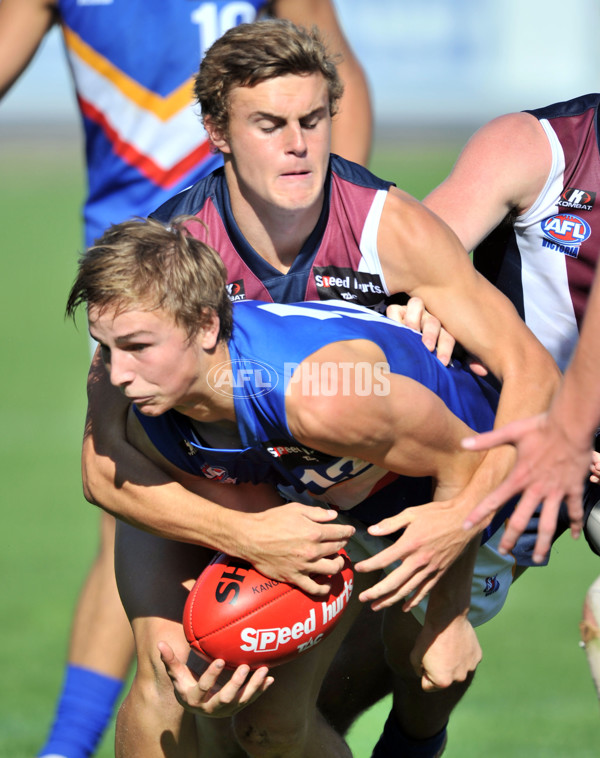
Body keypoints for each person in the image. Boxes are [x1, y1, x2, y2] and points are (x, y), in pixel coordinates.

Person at [77, 20, 561, 758]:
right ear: (217, 131)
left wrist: (462, 519)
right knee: (170, 678)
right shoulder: (165, 254)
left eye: (314, 119)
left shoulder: (386, 228)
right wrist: (242, 535)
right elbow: (104, 457)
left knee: (417, 676)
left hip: (392, 468)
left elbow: (528, 371)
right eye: (269, 125)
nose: (298, 144)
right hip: (243, 475)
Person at [0, 3, 373, 757]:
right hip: (136, 278)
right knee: (141, 531)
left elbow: (334, 64)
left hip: (279, 272)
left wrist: (349, 249)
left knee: (278, 691)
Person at [67, 214, 521, 757]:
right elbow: (102, 477)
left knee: (424, 668)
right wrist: (245, 535)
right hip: (317, 494)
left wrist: (447, 619)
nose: (115, 374)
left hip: (447, 484)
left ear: (208, 326)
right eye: (105, 346)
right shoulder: (135, 374)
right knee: (257, 724)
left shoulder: (324, 394)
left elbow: (472, 458)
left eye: (138, 346)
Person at [422, 92, 600, 565]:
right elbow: (406, 266)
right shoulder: (535, 147)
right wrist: (418, 307)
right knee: (391, 621)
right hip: (512, 423)